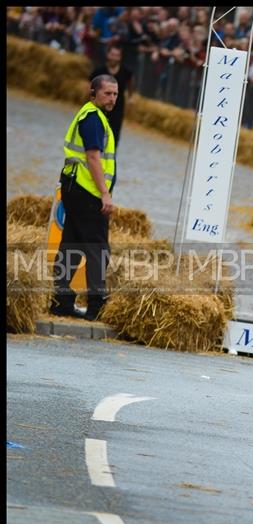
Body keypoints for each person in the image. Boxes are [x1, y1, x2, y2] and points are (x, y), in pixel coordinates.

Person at [50, 74, 118, 321]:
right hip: (86, 191)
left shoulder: (91, 114)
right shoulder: (92, 118)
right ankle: (96, 306)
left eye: (115, 94)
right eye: (107, 93)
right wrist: (104, 193)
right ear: (93, 93)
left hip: (74, 187)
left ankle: (61, 301)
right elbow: (92, 158)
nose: (112, 98)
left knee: (72, 243)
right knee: (98, 249)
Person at [89, 43, 132, 145]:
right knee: (98, 133)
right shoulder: (99, 71)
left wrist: (131, 97)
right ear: (108, 55)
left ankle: (110, 157)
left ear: (120, 57)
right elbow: (90, 87)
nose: (114, 58)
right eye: (112, 55)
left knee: (114, 135)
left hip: (118, 107)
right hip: (101, 107)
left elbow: (130, 85)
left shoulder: (126, 72)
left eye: (117, 55)